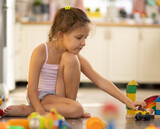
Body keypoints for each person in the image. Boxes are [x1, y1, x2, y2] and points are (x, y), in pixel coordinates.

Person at [4, 7, 146, 118]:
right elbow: (32, 89)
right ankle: (30, 109)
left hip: (63, 99)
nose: (83, 43)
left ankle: (68, 108)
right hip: (42, 97)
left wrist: (129, 102)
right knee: (77, 109)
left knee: (70, 59)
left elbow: (99, 80)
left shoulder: (72, 55)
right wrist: (40, 112)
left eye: (85, 38)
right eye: (79, 38)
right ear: (61, 35)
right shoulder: (41, 52)